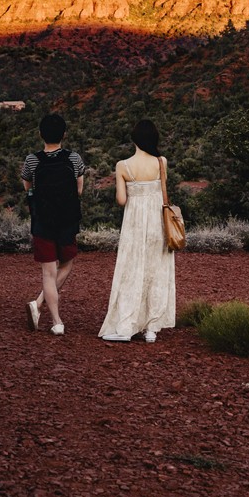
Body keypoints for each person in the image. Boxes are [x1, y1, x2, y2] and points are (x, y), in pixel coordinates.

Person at [98, 119, 176, 343]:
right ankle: (152, 329)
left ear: (134, 139)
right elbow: (163, 193)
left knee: (132, 272)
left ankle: (126, 326)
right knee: (156, 271)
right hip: (158, 225)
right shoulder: (162, 162)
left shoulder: (123, 166)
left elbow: (121, 200)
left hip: (135, 225)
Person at [22, 113, 85, 336]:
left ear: (41, 135)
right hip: (67, 220)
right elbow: (79, 190)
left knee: (48, 272)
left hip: (43, 221)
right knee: (66, 263)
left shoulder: (32, 160)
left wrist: (36, 198)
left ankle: (55, 320)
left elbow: (27, 187)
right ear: (64, 135)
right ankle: (38, 305)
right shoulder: (74, 159)